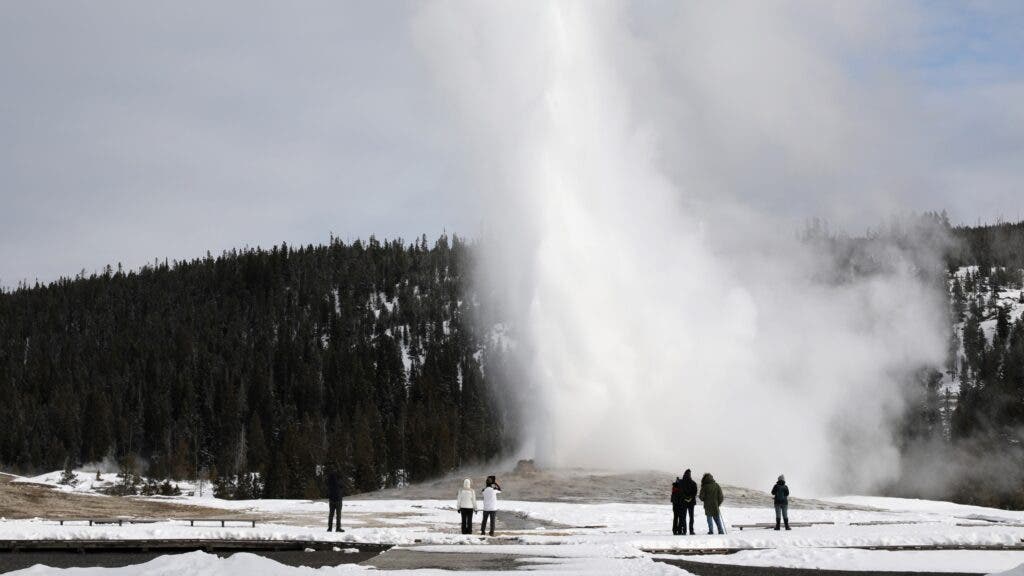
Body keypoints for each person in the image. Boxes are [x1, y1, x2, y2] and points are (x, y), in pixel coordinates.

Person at [678, 469, 698, 535]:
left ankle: (684, 531)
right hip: (691, 502)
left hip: (683, 502)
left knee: (684, 517)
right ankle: (691, 531)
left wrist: (685, 498)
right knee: (691, 517)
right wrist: (690, 498)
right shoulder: (693, 483)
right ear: (690, 475)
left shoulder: (681, 482)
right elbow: (695, 492)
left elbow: (680, 492)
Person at [326, 467, 345, 532]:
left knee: (331, 514)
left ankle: (330, 528)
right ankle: (338, 528)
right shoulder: (338, 481)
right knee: (338, 515)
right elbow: (342, 486)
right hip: (338, 499)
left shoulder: (329, 481)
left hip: (331, 499)